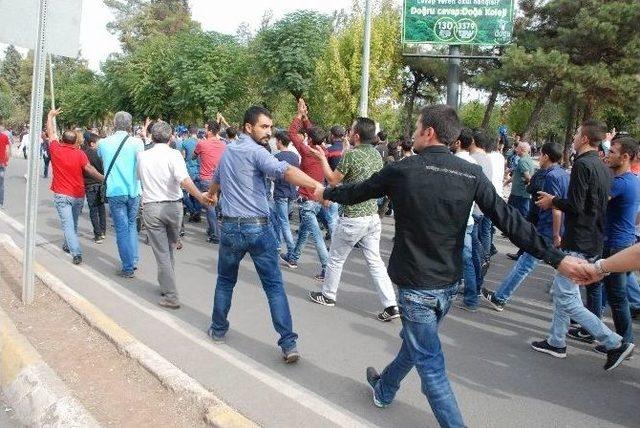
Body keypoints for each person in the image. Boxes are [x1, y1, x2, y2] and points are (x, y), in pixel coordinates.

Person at [315, 104, 584, 426]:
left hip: (417, 287)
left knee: (431, 368)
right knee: (417, 343)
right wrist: (556, 258)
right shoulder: (469, 173)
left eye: (416, 128)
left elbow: (356, 192)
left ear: (429, 132)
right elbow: (509, 220)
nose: (413, 134)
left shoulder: (405, 169)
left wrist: (325, 192)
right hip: (446, 285)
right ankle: (385, 387)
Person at [205, 106, 325, 363]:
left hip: (230, 228)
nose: (269, 132)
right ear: (249, 127)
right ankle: (288, 343)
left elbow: (216, 181)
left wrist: (212, 195)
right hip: (257, 228)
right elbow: (287, 171)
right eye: (264, 127)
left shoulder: (229, 152)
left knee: (225, 281)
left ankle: (217, 329)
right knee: (273, 286)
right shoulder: (256, 152)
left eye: (270, 127)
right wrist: (317, 186)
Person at [534, 120, 634, 371]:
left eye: (577, 134)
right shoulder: (602, 167)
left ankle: (614, 342)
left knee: (567, 298)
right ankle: (556, 341)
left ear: (585, 139)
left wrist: (553, 201)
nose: (575, 137)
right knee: (562, 293)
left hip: (579, 240)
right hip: (593, 239)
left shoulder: (582, 165)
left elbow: (576, 206)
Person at [307, 117, 399, 321]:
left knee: (335, 259)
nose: (348, 132)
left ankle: (328, 295)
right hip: (372, 217)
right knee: (375, 263)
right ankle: (391, 305)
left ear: (356, 135)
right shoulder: (375, 154)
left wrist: (322, 158)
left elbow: (332, 180)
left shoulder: (352, 156)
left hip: (353, 217)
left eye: (351, 130)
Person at [482, 143, 569, 311]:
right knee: (561, 268)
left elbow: (556, 207)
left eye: (541, 155)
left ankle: (500, 298)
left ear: (545, 156)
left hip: (548, 228)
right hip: (553, 227)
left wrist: (556, 233)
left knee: (525, 265)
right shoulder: (563, 174)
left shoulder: (551, 177)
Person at [137, 121, 212, 309]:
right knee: (168, 249)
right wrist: (200, 197)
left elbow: (139, 178)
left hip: (153, 207)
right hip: (174, 208)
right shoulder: (174, 155)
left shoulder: (142, 156)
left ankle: (170, 294)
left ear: (152, 137)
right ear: (171, 137)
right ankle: (166, 285)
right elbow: (184, 180)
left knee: (162, 252)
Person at [572, 136, 639, 349]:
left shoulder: (620, 184)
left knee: (616, 296)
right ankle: (596, 330)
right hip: (620, 241)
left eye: (612, 152)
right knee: (607, 290)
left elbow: (595, 202)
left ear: (625, 156)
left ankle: (623, 342)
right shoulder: (632, 180)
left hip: (615, 245)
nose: (607, 155)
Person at [281, 99, 333, 281]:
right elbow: (310, 131)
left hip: (307, 200)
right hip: (318, 198)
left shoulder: (307, 151)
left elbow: (292, 133)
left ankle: (327, 268)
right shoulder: (323, 151)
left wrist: (298, 114)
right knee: (304, 232)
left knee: (316, 237)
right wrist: (304, 116)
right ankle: (293, 257)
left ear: (310, 138)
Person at [46, 109, 104, 264]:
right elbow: (90, 169)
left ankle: (76, 252)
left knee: (68, 224)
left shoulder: (56, 149)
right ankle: (68, 245)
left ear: (62, 140)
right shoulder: (80, 154)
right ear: (74, 141)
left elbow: (50, 133)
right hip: (78, 194)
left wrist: (50, 116)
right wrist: (104, 179)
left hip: (62, 195)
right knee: (73, 222)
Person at [98, 111, 145, 278]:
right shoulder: (137, 143)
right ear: (130, 125)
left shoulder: (103, 143)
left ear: (114, 123)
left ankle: (127, 266)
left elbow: (101, 159)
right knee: (132, 225)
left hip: (115, 191)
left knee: (122, 229)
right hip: (134, 190)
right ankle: (133, 259)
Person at [458, 129, 493, 311]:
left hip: (465, 217)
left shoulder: (463, 162)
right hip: (474, 213)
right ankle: (473, 289)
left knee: (466, 258)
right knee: (472, 254)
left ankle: (471, 297)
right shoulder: (482, 160)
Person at [193, 120, 227, 243]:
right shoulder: (224, 145)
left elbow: (193, 156)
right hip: (221, 179)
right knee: (215, 204)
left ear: (211, 131)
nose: (205, 131)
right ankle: (213, 228)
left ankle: (215, 235)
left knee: (209, 207)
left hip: (207, 179)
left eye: (206, 129)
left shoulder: (202, 144)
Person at [272, 130, 300, 255]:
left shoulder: (277, 157)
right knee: (280, 219)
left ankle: (291, 250)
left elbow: (273, 175)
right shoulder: (295, 157)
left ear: (280, 142)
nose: (275, 143)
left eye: (276, 141)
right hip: (291, 192)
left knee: (283, 221)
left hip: (280, 192)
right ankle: (277, 244)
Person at [82, 132, 107, 243]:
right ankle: (103, 231)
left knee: (93, 210)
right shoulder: (100, 154)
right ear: (92, 143)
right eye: (98, 143)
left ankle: (97, 235)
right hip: (100, 184)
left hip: (89, 185)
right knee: (101, 209)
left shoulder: (83, 154)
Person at [177, 125, 201, 223]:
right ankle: (197, 213)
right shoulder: (201, 142)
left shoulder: (184, 143)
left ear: (189, 133)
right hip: (199, 170)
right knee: (197, 193)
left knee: (186, 193)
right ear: (197, 132)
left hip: (188, 170)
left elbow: (182, 156)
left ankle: (192, 211)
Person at [505, 142, 536, 218]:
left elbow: (528, 177)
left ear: (523, 150)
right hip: (520, 194)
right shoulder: (528, 159)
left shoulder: (523, 161)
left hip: (519, 194)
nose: (516, 149)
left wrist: (530, 187)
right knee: (514, 215)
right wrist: (505, 183)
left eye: (517, 148)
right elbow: (516, 176)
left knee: (514, 215)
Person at [0, 124, 10, 209]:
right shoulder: (5, 137)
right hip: (2, 164)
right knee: (1, 184)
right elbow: (7, 150)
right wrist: (6, 161)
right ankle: (1, 203)